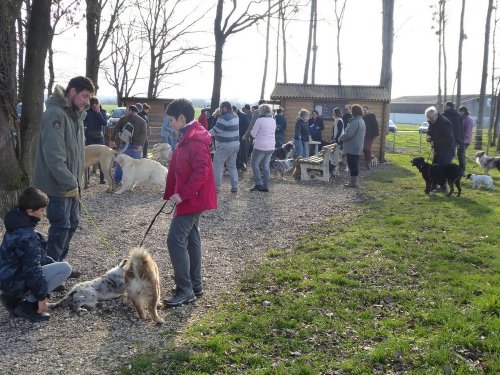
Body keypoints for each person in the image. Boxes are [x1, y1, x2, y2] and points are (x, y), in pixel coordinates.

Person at [32, 76, 94, 275]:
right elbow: (54, 157)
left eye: (89, 98)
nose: (86, 101)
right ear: (72, 92)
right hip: (56, 185)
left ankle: (57, 264)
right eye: (84, 96)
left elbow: (76, 154)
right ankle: (49, 270)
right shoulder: (55, 115)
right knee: (61, 225)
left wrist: (77, 182)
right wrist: (70, 183)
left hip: (71, 183)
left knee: (72, 223)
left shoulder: (75, 116)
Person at [162, 99, 217, 307]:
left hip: (192, 199)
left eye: (171, 121)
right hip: (192, 198)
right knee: (192, 239)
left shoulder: (194, 138)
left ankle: (185, 289)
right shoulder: (189, 135)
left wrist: (182, 194)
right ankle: (195, 285)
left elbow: (201, 172)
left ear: (182, 118)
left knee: (175, 240)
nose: (170, 125)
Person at [0, 187, 72, 322]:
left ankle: (12, 297)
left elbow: (30, 258)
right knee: (65, 269)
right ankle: (27, 306)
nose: (44, 213)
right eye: (42, 210)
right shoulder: (28, 236)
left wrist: (50, 263)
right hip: (14, 280)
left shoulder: (16, 223)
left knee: (52, 265)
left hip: (6, 278)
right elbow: (32, 270)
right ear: (30, 211)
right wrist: (41, 297)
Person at [109, 105, 147, 184]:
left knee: (120, 164)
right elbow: (144, 134)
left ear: (130, 110)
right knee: (134, 166)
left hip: (124, 145)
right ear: (137, 111)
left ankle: (117, 180)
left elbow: (115, 129)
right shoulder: (142, 121)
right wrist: (140, 145)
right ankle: (131, 182)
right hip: (136, 146)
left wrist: (112, 140)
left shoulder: (123, 118)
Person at [209, 101, 240, 193]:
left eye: (221, 107)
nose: (220, 109)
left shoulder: (223, 118)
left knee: (218, 166)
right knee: (232, 166)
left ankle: (215, 188)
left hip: (224, 146)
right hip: (235, 145)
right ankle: (235, 187)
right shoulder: (235, 115)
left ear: (225, 108)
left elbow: (216, 130)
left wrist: (203, 134)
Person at [250, 104, 276, 192]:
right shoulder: (273, 120)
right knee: (265, 166)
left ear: (261, 111)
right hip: (271, 146)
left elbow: (253, 134)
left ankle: (258, 183)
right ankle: (266, 186)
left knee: (254, 164)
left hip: (260, 146)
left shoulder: (259, 120)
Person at [339, 104, 366, 188]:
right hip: (357, 146)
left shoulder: (355, 121)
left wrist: (340, 138)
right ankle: (353, 181)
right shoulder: (361, 120)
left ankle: (353, 182)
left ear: (353, 111)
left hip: (352, 147)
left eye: (351, 110)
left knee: (352, 164)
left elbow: (349, 134)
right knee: (354, 164)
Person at [84, 96, 108, 184]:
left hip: (99, 139)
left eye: (96, 106)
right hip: (89, 138)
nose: (94, 108)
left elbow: (104, 123)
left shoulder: (103, 112)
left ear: (99, 104)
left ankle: (102, 179)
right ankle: (87, 180)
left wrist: (98, 113)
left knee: (102, 159)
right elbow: (82, 124)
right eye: (92, 106)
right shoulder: (87, 113)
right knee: (87, 158)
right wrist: (83, 135)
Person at [362, 105, 379, 170]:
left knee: (367, 148)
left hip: (370, 135)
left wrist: (376, 134)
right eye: (363, 110)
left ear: (368, 110)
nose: (364, 111)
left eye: (365, 110)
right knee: (364, 149)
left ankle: (368, 164)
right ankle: (369, 160)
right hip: (364, 135)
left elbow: (375, 125)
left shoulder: (371, 116)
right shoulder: (362, 117)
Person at [458, 106, 474, 175]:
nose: (460, 112)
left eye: (461, 111)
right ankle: (461, 170)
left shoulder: (468, 119)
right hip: (460, 140)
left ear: (465, 111)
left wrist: (464, 140)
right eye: (459, 111)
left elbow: (468, 131)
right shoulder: (461, 118)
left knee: (461, 155)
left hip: (465, 141)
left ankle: (462, 171)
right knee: (460, 155)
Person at [234, 105, 250, 170]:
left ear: (236, 110)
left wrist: (238, 130)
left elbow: (247, 126)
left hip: (242, 136)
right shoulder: (233, 116)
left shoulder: (243, 116)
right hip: (234, 136)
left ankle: (244, 165)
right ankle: (237, 165)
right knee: (236, 151)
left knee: (243, 150)